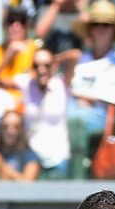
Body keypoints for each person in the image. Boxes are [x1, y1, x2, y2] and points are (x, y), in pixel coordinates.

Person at [64, 1, 115, 154]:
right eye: (96, 24)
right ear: (90, 29)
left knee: (73, 119)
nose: (100, 29)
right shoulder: (82, 58)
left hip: (107, 116)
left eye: (106, 25)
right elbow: (70, 89)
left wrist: (90, 97)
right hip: (74, 109)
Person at [16, 47, 69, 178]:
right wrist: (10, 53)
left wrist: (57, 59)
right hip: (32, 158)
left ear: (54, 65)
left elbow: (75, 55)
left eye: (46, 65)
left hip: (59, 157)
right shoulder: (27, 83)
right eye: (36, 65)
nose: (41, 70)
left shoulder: (61, 84)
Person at [0, 108, 40, 180]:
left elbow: (28, 184)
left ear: (21, 129)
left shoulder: (29, 155)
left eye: (16, 127)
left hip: (17, 191)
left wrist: (0, 163)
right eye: (5, 127)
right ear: (0, 128)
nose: (10, 131)